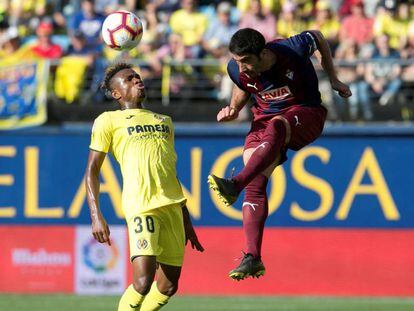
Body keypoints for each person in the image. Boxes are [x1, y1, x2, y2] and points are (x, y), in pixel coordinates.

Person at [207, 28, 351, 281]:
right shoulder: (236, 67)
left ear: (263, 53)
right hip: (262, 120)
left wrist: (334, 78)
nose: (240, 67)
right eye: (237, 61)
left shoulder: (291, 49)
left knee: (277, 126)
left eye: (246, 61)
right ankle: (252, 257)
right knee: (256, 182)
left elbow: (317, 36)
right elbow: (243, 84)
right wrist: (233, 108)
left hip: (306, 113)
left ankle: (235, 183)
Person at [85, 63, 204, 311]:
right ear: (116, 93)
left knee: (168, 286)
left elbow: (167, 170)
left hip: (172, 206)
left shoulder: (164, 121)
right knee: (142, 281)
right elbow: (92, 171)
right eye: (129, 79)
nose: (137, 80)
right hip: (142, 205)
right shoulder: (108, 121)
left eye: (137, 77)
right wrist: (96, 216)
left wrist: (186, 218)